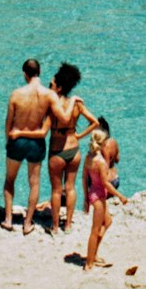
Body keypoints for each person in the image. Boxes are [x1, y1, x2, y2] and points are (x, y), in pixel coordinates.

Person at [1, 57, 53, 235]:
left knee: (10, 180)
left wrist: (9, 142)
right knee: (34, 183)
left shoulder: (16, 94)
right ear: (39, 73)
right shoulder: (48, 95)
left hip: (17, 140)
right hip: (36, 142)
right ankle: (28, 223)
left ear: (25, 74)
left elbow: (8, 123)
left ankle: (8, 219)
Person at [47, 63, 99, 235]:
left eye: (51, 85)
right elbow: (95, 122)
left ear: (59, 88)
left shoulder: (52, 105)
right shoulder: (76, 103)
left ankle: (55, 226)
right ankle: (68, 224)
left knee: (56, 189)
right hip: (74, 150)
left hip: (57, 151)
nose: (49, 88)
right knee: (70, 187)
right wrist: (79, 136)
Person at [82, 128, 126, 270]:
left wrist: (86, 198)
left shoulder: (88, 157)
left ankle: (92, 254)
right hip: (99, 196)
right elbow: (106, 183)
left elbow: (84, 178)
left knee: (108, 221)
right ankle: (89, 263)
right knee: (95, 230)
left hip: (93, 193)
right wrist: (120, 196)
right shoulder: (100, 162)